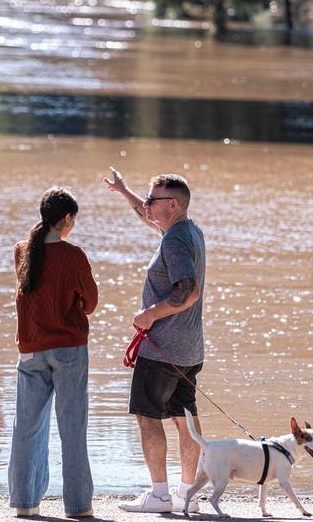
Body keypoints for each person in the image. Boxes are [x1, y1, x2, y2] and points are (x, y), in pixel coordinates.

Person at [102, 168, 206, 514]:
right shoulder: (186, 230)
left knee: (148, 417)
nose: (146, 205)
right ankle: (185, 493)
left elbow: (188, 291)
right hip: (189, 348)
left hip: (164, 349)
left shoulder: (175, 240)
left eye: (152, 199)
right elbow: (148, 218)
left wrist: (150, 314)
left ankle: (160, 494)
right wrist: (125, 191)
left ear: (172, 205)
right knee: (184, 418)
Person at [8, 187, 98, 519]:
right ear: (67, 219)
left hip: (30, 349)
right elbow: (90, 303)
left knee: (27, 428)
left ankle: (25, 503)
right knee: (72, 427)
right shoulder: (74, 255)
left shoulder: (21, 251)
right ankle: (78, 507)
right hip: (69, 350)